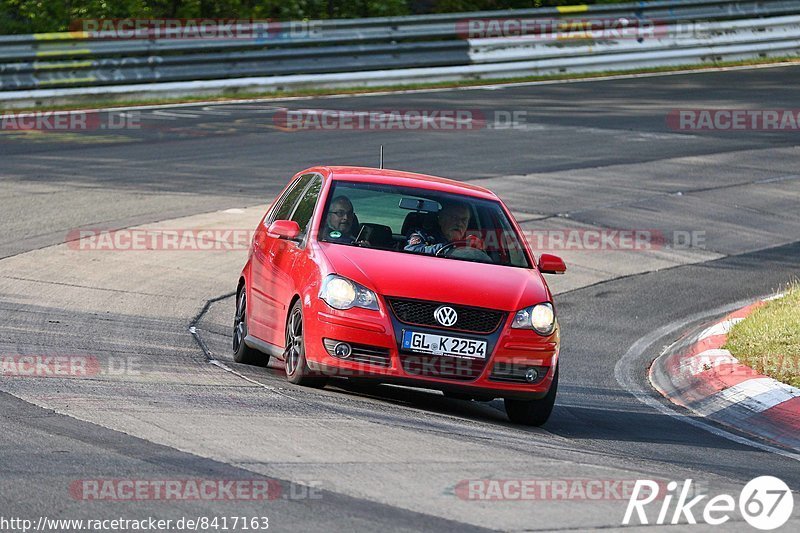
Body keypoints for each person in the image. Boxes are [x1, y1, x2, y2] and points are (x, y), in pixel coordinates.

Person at [404, 201, 481, 255]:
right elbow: (412, 251)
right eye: (454, 218)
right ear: (441, 219)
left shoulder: (472, 242)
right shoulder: (422, 234)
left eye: (464, 220)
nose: (459, 223)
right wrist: (453, 247)